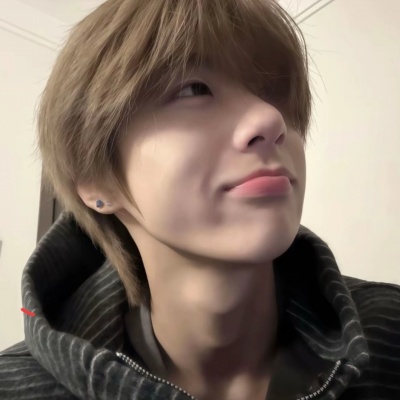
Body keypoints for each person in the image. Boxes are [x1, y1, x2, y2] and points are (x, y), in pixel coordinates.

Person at [1, 0, 400, 399]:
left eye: (272, 92)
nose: (270, 118)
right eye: (194, 88)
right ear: (96, 183)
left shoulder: (390, 335)